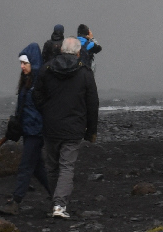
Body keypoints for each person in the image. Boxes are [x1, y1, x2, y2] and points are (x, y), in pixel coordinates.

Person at [34, 29, 99, 219]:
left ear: (61, 50)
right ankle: (59, 205)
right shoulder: (85, 73)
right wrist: (91, 130)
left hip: (51, 125)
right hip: (74, 127)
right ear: (79, 53)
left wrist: (45, 111)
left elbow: (36, 95)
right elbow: (93, 103)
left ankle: (56, 202)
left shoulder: (46, 69)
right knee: (67, 166)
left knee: (53, 167)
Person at [6, 46, 49, 207]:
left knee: (25, 166)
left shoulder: (39, 83)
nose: (22, 66)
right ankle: (59, 197)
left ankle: (15, 202)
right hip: (29, 130)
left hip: (36, 131)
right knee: (38, 168)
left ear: (33, 62)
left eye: (25, 63)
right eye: (21, 63)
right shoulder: (28, 80)